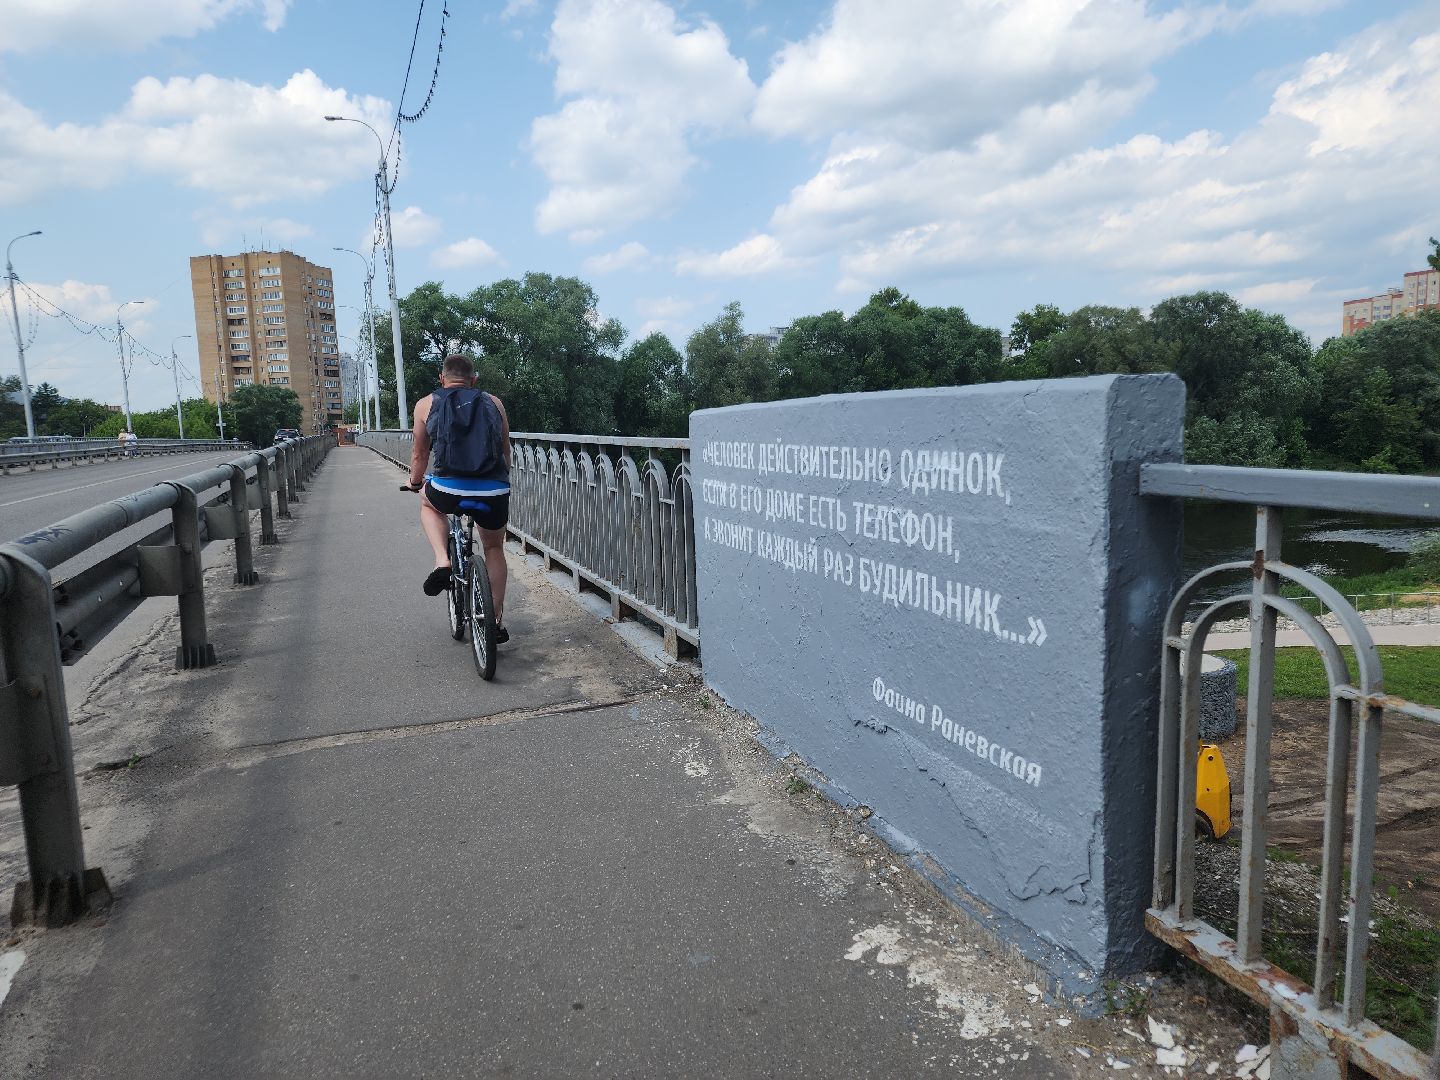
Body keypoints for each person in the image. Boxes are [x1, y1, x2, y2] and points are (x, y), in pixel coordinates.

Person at [402, 354, 513, 641]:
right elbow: (505, 453)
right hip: (493, 491)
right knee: (494, 548)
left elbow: (419, 454)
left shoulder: (426, 404)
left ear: (442, 378)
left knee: (427, 503)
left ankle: (442, 561)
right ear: (473, 380)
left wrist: (415, 482)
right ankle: (494, 622)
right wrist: (498, 483)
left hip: (448, 491)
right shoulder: (494, 403)